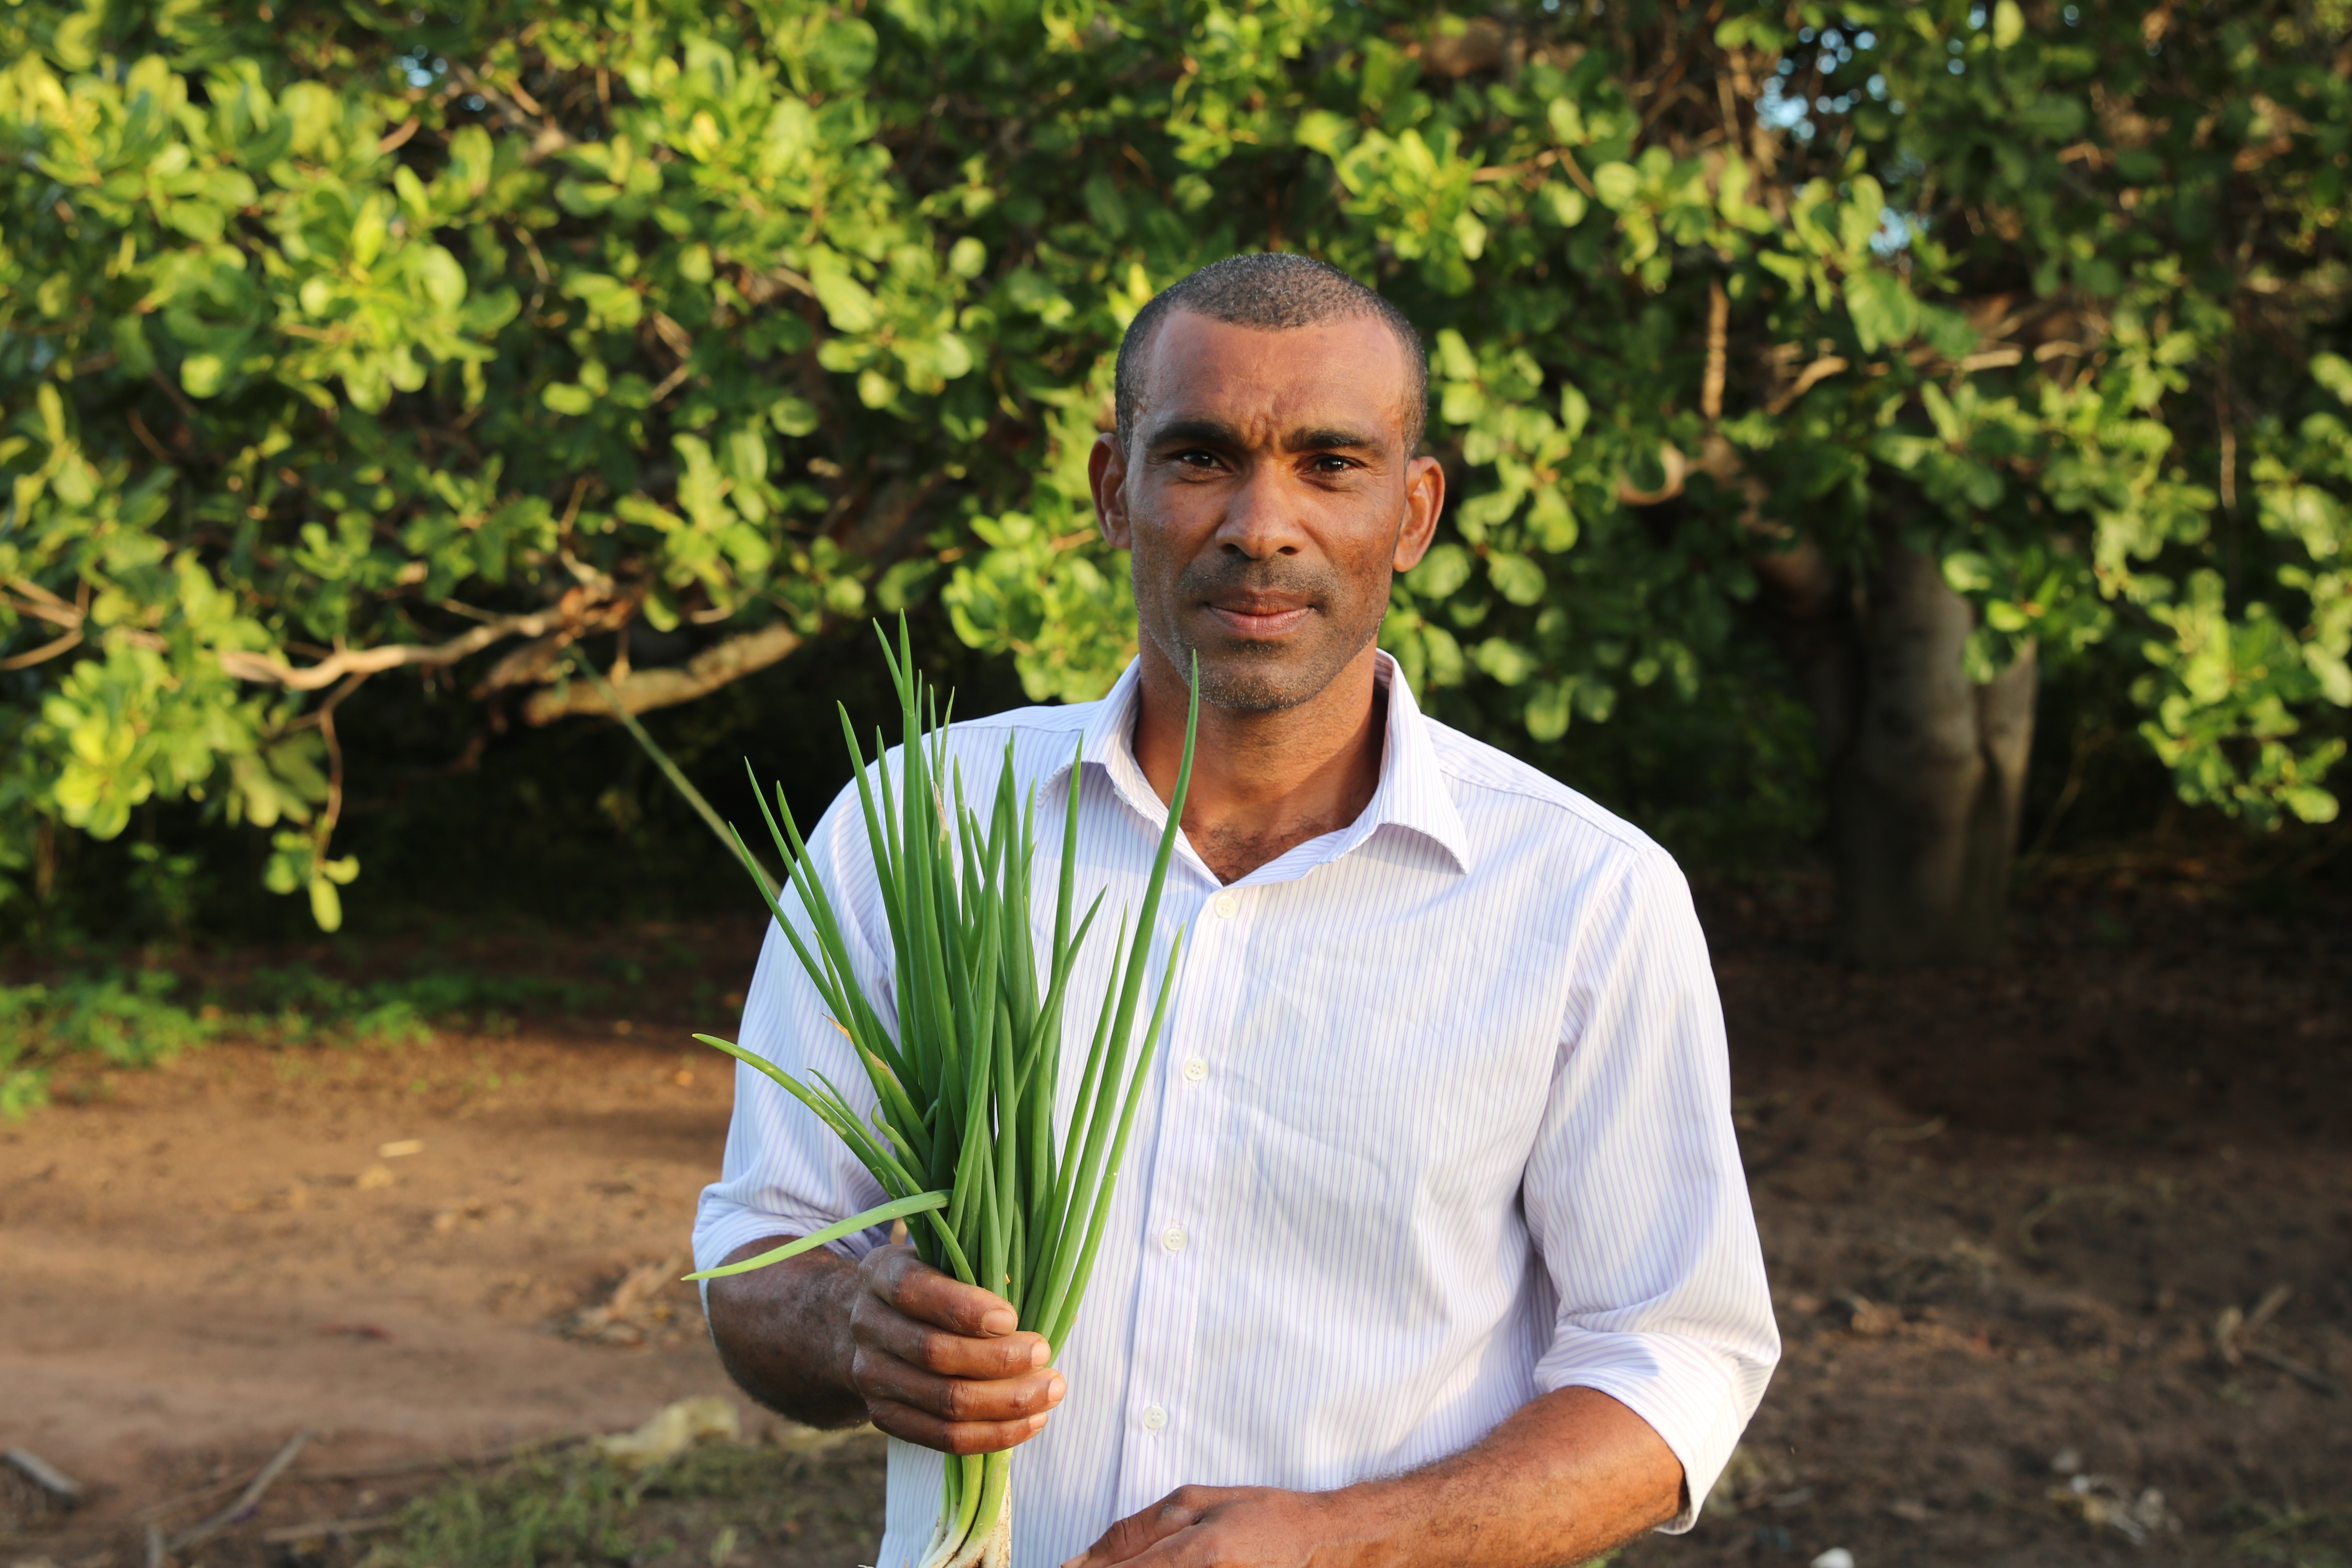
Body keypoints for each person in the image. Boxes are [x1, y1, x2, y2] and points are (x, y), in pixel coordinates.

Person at [693, 252, 1779, 1568]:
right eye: (1203, 456)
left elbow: (1676, 1366)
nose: (1263, 524)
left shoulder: (1588, 897)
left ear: (1415, 511)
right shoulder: (919, 827)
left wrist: (1341, 1544)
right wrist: (851, 1325)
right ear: (1116, 489)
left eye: (1332, 464)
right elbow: (762, 1251)